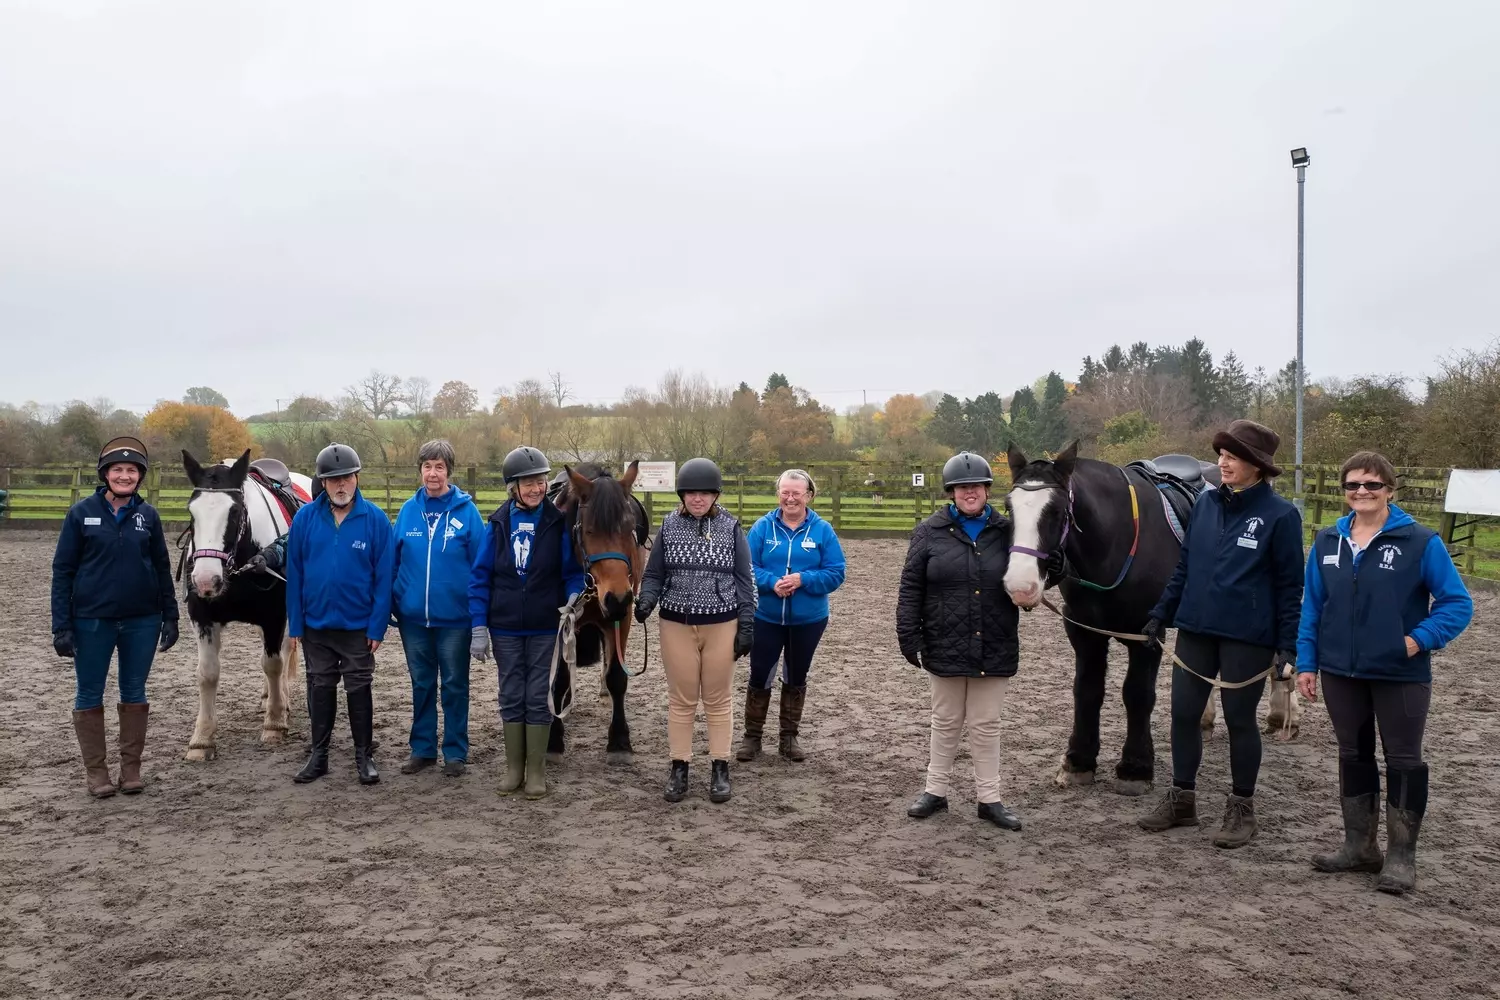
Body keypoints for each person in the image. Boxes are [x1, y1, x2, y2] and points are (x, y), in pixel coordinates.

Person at [1296, 450, 1473, 895]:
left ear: (1389, 490)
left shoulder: (1420, 542)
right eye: (1353, 484)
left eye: (1372, 484)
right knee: (1352, 754)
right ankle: (1359, 847)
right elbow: (1313, 607)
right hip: (1340, 671)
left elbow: (1457, 603)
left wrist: (1417, 639)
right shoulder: (1327, 541)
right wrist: (1307, 662)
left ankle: (1400, 857)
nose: (1362, 491)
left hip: (1400, 673)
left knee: (1404, 759)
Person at [1138, 419, 1303, 847]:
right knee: (1183, 714)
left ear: (1257, 465)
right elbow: (1184, 566)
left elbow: (1290, 587)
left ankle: (1242, 807)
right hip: (1196, 628)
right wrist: (1160, 613)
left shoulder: (1281, 515)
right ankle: (1182, 799)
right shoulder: (1206, 504)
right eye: (1222, 456)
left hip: (1247, 636)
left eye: (1232, 458)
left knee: (1239, 720)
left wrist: (1288, 646)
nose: (1222, 464)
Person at [896, 451, 1024, 831]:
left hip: (995, 639)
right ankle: (935, 791)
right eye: (962, 487)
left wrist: (1050, 571)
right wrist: (909, 635)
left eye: (976, 486)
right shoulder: (928, 532)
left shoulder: (1009, 532)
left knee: (986, 723)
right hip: (944, 640)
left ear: (987, 489)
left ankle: (990, 798)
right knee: (946, 720)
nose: (970, 492)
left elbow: (1032, 572)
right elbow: (910, 588)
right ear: (951, 492)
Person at [50, 437, 179, 798]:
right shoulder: (81, 513)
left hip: (143, 620)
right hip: (92, 620)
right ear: (105, 474)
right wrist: (61, 625)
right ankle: (97, 773)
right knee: (89, 691)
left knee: (134, 690)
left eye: (132, 470)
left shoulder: (148, 516)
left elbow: (162, 567)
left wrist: (171, 616)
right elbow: (63, 571)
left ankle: (131, 770)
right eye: (118, 469)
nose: (125, 475)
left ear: (140, 476)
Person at [635, 457, 756, 804]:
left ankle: (720, 767)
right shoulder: (669, 526)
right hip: (676, 624)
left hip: (721, 623)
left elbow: (744, 579)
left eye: (704, 493)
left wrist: (747, 622)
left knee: (718, 699)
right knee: (682, 699)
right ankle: (679, 766)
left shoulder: (731, 527)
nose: (697, 499)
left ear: (715, 495)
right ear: (682, 495)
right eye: (691, 493)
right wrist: (647, 600)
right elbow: (654, 573)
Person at [468, 446, 585, 800]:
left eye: (540, 481)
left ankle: (536, 771)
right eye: (528, 483)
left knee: (537, 695)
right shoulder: (498, 523)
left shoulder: (557, 523)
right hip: (504, 627)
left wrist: (573, 596)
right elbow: (480, 577)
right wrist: (478, 627)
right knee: (510, 694)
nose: (536, 488)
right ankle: (513, 768)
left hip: (545, 626)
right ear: (513, 487)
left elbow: (572, 572)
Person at [285, 443, 395, 786]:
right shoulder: (305, 518)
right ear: (323, 483)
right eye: (333, 480)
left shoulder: (375, 520)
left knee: (359, 686)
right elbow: (295, 574)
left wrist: (377, 626)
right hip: (316, 625)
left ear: (357, 478)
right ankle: (319, 756)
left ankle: (364, 755)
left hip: (357, 626)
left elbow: (384, 578)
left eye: (346, 477)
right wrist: (295, 623)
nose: (341, 484)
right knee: (320, 686)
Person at [392, 439, 487, 778]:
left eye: (439, 467)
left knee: (455, 684)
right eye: (427, 467)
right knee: (421, 684)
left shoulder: (468, 514)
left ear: (449, 471)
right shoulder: (407, 512)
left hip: (455, 620)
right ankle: (422, 749)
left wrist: (479, 618)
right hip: (413, 620)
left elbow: (481, 568)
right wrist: (395, 600)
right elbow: (393, 561)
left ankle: (455, 752)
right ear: (420, 470)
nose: (433, 473)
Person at [739, 469, 846, 763]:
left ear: (808, 495)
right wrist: (771, 582)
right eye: (785, 492)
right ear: (778, 494)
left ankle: (788, 737)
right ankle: (752, 737)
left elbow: (836, 572)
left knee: (796, 674)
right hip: (766, 617)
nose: (790, 498)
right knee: (760, 673)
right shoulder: (762, 527)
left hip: (808, 620)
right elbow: (748, 567)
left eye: (796, 493)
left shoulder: (822, 530)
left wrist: (803, 579)